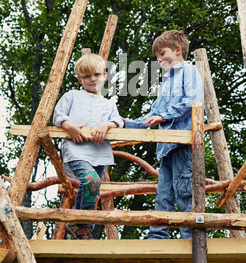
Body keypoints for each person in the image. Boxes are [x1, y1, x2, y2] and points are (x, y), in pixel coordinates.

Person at [124, 30, 204, 239]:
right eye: (157, 57)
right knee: (163, 193)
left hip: (183, 143)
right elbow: (153, 114)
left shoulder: (190, 72)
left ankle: (190, 238)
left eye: (162, 54)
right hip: (166, 147)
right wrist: (125, 123)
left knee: (184, 191)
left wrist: (165, 116)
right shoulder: (166, 83)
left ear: (177, 50)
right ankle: (158, 236)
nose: (159, 60)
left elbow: (192, 102)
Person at [53, 53, 123, 239]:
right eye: (87, 76)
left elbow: (118, 121)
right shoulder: (72, 96)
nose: (92, 79)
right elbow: (58, 116)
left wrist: (107, 125)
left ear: (105, 75)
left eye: (97, 75)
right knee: (91, 180)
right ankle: (78, 221)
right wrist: (70, 127)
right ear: (80, 79)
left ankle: (83, 228)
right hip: (77, 151)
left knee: (94, 190)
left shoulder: (109, 104)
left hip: (100, 154)